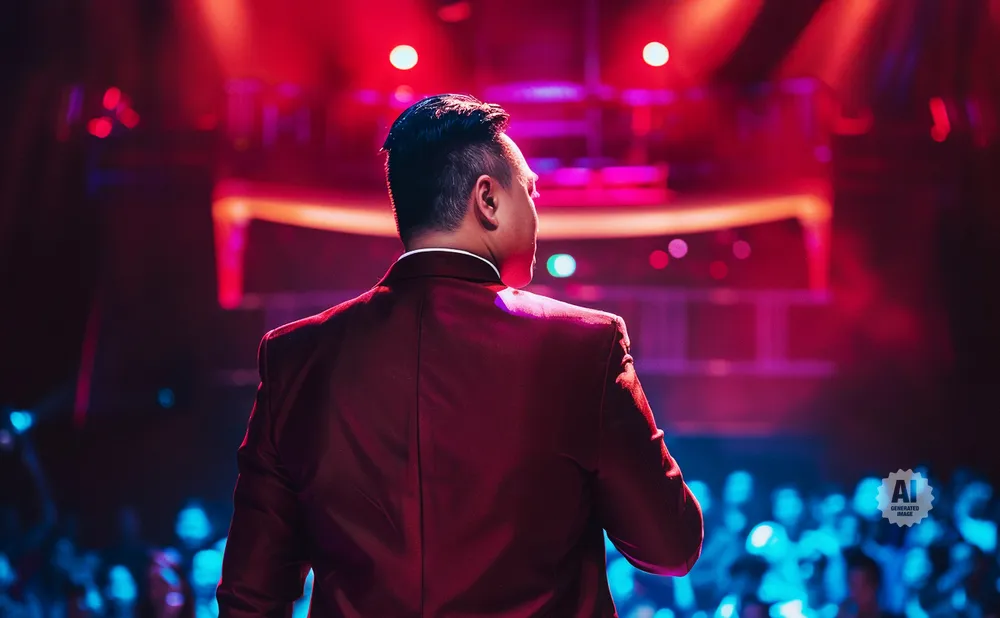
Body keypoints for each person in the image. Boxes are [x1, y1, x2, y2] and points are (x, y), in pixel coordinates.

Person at [217, 93, 703, 617]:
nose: (539, 216)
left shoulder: (294, 358)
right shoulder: (584, 345)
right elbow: (669, 546)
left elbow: (251, 595)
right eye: (532, 195)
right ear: (487, 200)